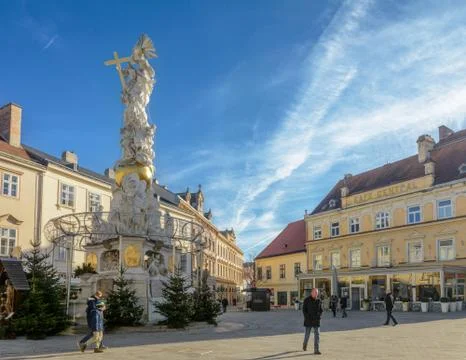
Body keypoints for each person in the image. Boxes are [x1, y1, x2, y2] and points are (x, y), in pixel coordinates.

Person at [302, 288, 323, 355]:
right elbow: (304, 310)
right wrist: (307, 317)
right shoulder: (306, 300)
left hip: (316, 321)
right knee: (307, 335)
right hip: (308, 321)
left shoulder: (319, 300)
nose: (316, 294)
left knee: (317, 335)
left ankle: (316, 350)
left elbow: (321, 310)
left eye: (317, 293)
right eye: (315, 292)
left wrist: (319, 316)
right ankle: (305, 344)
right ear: (311, 293)